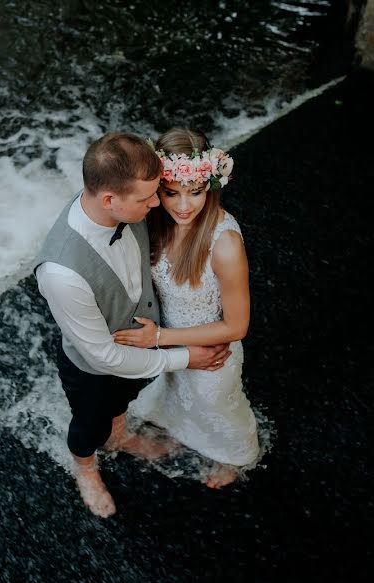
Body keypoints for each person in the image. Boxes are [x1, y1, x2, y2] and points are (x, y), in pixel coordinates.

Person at [35, 132, 232, 518]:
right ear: (110, 200)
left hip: (142, 341)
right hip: (93, 366)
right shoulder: (61, 272)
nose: (156, 203)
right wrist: (184, 357)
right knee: (89, 423)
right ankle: (86, 469)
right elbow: (104, 355)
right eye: (147, 199)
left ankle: (120, 435)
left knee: (124, 398)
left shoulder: (126, 202)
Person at [112, 127, 261, 489]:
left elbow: (237, 326)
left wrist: (160, 337)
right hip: (171, 344)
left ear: (210, 185)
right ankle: (174, 426)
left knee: (216, 406)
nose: (183, 206)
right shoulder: (156, 223)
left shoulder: (222, 243)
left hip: (211, 347)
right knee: (173, 391)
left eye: (195, 193)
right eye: (170, 193)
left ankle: (238, 455)